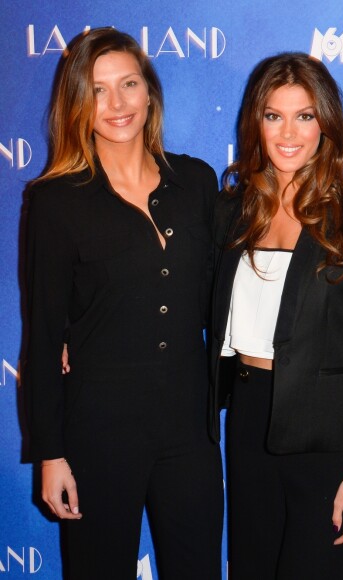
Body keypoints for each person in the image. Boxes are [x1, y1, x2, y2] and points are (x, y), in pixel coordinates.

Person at [24, 28, 223, 579]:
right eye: (98, 89)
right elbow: (42, 335)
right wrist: (51, 453)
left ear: (149, 92)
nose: (116, 104)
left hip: (189, 431)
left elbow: (221, 295)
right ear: (78, 106)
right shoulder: (55, 201)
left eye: (128, 84)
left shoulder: (197, 183)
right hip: (97, 432)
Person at [208, 52, 343, 579]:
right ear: (256, 123)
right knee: (252, 567)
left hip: (326, 438)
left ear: (326, 124)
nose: (289, 132)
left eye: (304, 116)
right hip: (247, 419)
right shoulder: (232, 210)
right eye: (274, 115)